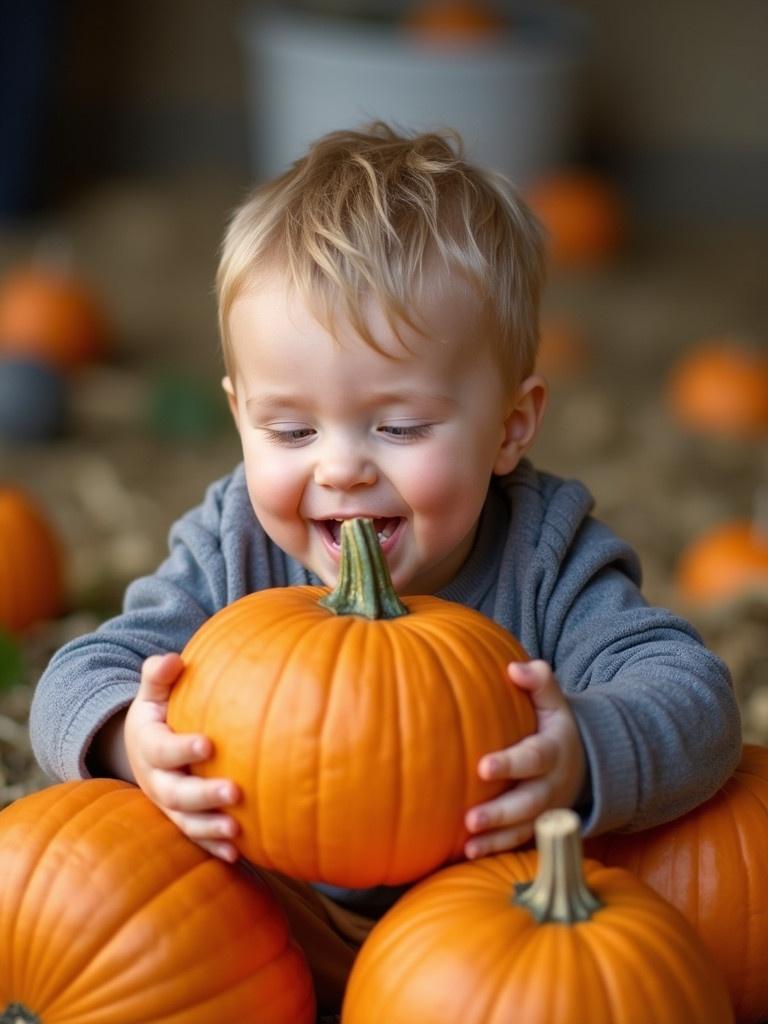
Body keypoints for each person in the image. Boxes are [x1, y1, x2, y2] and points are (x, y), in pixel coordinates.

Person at [30, 123, 741, 1012]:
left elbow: (695, 697)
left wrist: (582, 757)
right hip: (260, 924)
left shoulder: (545, 553)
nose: (340, 468)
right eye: (290, 430)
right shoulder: (234, 543)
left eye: (398, 427)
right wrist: (128, 741)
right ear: (238, 414)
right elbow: (78, 674)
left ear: (512, 426)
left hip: (477, 950)